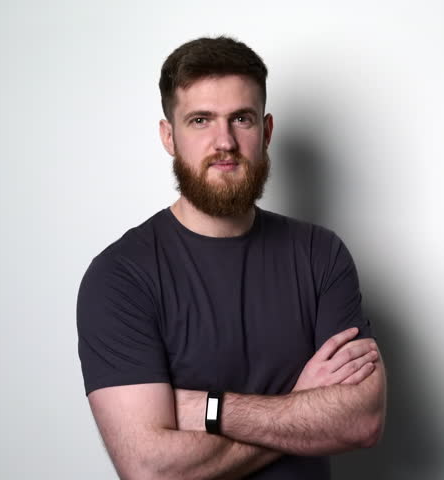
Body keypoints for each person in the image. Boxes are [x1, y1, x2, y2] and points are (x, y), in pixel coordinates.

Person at [76, 36, 386, 479]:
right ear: (169, 136)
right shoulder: (121, 277)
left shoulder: (321, 255)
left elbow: (361, 420)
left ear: (266, 131)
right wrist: (300, 407)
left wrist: (207, 408)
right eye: (200, 120)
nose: (224, 141)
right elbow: (151, 471)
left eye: (241, 118)